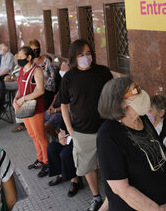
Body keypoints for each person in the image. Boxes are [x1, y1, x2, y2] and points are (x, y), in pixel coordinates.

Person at [97, 77, 166, 211]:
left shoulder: (143, 119)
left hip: (165, 203)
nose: (142, 93)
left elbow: (161, 156)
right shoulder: (108, 135)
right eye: (135, 90)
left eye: (139, 88)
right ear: (120, 102)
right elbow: (121, 189)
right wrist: (156, 209)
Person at [60, 39, 113, 211]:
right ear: (74, 57)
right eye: (81, 54)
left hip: (106, 129)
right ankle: (97, 197)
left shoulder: (103, 72)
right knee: (89, 166)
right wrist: (70, 130)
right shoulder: (69, 78)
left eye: (88, 53)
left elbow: (113, 96)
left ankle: (113, 198)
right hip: (82, 132)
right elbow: (63, 105)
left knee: (110, 165)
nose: (86, 57)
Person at [13, 46, 49, 177]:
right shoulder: (22, 69)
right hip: (25, 108)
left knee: (41, 136)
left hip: (36, 108)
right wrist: (16, 99)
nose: (19, 59)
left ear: (29, 57)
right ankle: (40, 158)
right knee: (33, 135)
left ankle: (47, 162)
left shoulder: (37, 70)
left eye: (21, 57)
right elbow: (20, 87)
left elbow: (40, 90)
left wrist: (23, 99)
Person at [47, 120, 83, 197]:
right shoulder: (66, 108)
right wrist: (61, 133)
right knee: (51, 148)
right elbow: (63, 119)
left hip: (79, 135)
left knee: (65, 154)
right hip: (67, 134)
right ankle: (61, 173)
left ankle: (75, 180)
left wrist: (68, 133)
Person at [29, 40, 56, 109]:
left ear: (40, 49)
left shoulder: (46, 61)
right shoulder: (29, 63)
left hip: (47, 90)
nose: (35, 51)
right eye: (33, 50)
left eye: (37, 49)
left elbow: (53, 76)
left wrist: (44, 86)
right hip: (33, 91)